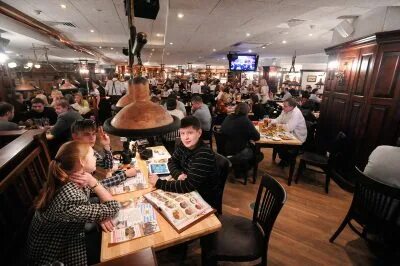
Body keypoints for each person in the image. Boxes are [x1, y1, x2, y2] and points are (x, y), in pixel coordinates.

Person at [26, 141, 120, 265]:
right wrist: (94, 184)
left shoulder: (72, 178)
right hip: (56, 252)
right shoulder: (69, 196)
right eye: (93, 155)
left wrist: (99, 214)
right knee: (116, 250)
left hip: (65, 234)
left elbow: (100, 199)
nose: (96, 157)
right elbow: (114, 207)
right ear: (82, 162)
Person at [149, 116, 218, 207]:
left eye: (190, 133)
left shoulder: (203, 154)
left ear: (199, 133)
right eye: (182, 133)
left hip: (202, 197)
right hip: (189, 188)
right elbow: (171, 161)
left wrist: (159, 183)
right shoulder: (183, 145)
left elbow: (187, 185)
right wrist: (178, 175)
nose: (186, 137)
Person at [71, 119, 137, 186]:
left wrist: (106, 145)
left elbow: (107, 166)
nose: (92, 138)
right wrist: (124, 175)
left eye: (93, 134)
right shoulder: (74, 156)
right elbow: (92, 188)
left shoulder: (88, 149)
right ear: (75, 136)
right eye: (87, 134)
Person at [221, 103, 260, 175]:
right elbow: (257, 137)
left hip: (224, 148)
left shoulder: (228, 117)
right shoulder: (245, 120)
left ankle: (237, 166)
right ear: (247, 112)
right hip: (237, 151)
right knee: (258, 154)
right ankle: (241, 170)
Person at [268, 98, 307, 166]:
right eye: (283, 105)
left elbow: (289, 128)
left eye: (285, 106)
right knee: (276, 142)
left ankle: (286, 159)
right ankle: (285, 159)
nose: (283, 107)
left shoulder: (296, 113)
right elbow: (278, 119)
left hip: (297, 137)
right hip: (288, 134)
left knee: (279, 144)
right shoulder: (285, 110)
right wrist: (270, 121)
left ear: (292, 107)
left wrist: (277, 125)